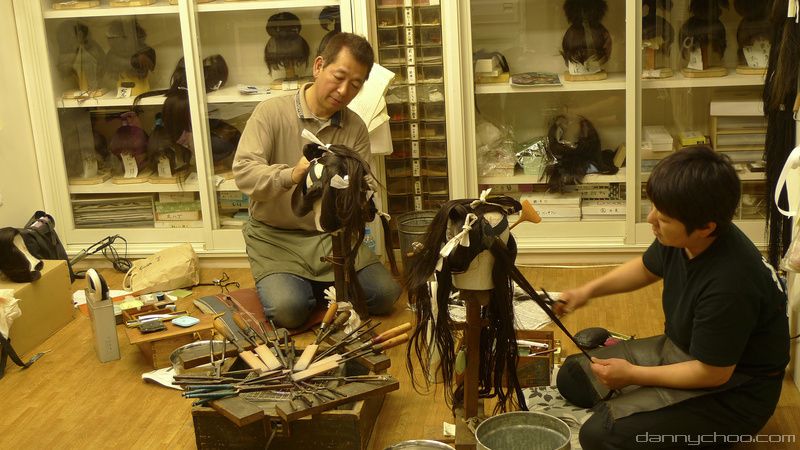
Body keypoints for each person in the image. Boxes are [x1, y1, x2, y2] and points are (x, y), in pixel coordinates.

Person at [554, 146, 789, 449]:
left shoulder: (731, 283)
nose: (650, 219)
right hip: (682, 350)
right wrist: (586, 291)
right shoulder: (686, 233)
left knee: (600, 436)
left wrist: (634, 375)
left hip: (736, 393)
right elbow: (646, 268)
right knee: (572, 376)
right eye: (653, 207)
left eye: (663, 218)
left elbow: (713, 373)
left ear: (706, 227)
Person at [233, 32, 401, 329]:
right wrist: (292, 174)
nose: (344, 90)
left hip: (331, 237)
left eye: (355, 85)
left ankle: (312, 288)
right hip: (276, 237)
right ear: (319, 66)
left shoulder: (354, 127)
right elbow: (244, 173)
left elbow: (363, 188)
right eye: (339, 77)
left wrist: (355, 195)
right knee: (289, 311)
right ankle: (303, 287)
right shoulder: (270, 113)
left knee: (385, 295)